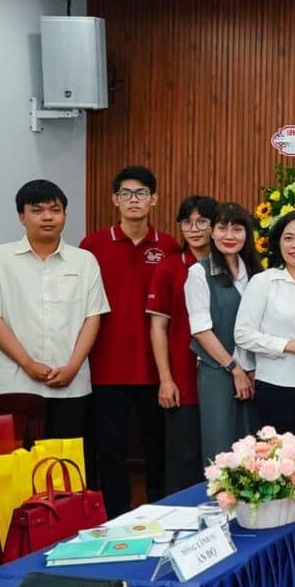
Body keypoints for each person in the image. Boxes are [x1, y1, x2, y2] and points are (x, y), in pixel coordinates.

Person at [0, 179, 108, 438]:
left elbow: (93, 317)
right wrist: (28, 364)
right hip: (15, 383)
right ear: (21, 216)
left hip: (71, 385)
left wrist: (73, 366)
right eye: (37, 210)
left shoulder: (84, 261)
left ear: (65, 215)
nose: (47, 217)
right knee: (15, 463)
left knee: (64, 467)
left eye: (55, 210)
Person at [80, 165, 182, 515]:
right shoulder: (92, 245)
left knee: (158, 447)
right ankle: (115, 516)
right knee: (110, 449)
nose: (133, 200)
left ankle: (159, 511)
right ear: (115, 199)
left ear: (154, 199)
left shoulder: (168, 245)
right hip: (106, 366)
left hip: (156, 369)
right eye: (126, 193)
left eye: (141, 193)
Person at [235, 211, 295, 435]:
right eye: (288, 238)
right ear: (278, 243)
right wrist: (287, 345)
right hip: (278, 386)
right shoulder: (264, 282)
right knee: (281, 461)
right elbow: (242, 333)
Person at [147, 195, 216, 489]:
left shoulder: (232, 266)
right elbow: (158, 326)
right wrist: (165, 379)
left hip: (224, 378)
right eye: (187, 222)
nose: (195, 228)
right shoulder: (169, 268)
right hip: (183, 380)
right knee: (183, 458)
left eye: (202, 221)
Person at [186, 202, 260, 459]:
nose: (229, 236)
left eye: (237, 229)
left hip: (256, 372)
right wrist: (235, 369)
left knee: (255, 445)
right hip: (218, 370)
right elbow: (201, 331)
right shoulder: (199, 273)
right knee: (221, 448)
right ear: (212, 232)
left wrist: (251, 370)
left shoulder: (256, 273)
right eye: (222, 228)